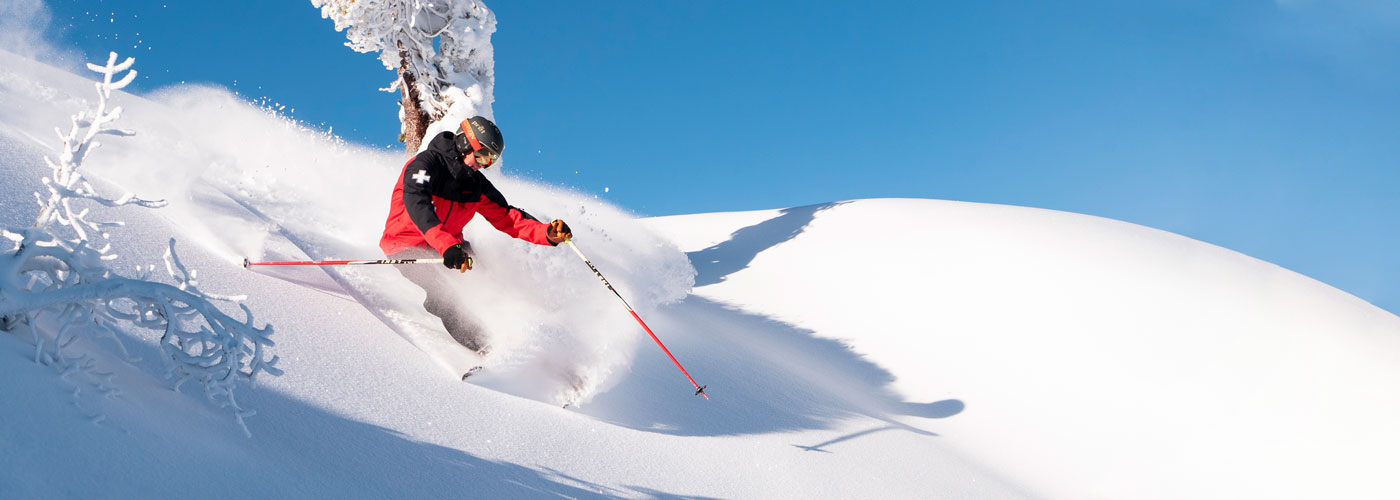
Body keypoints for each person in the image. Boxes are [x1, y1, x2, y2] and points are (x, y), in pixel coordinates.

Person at [379, 116, 571, 355]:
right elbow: (418, 205)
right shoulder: (425, 165)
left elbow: (507, 216)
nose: (483, 164)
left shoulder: (474, 184)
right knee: (445, 294)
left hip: (452, 250)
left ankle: (530, 341)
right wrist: (447, 245)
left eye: (490, 160)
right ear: (464, 143)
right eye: (481, 156)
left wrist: (547, 233)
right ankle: (490, 351)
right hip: (407, 246)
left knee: (490, 279)